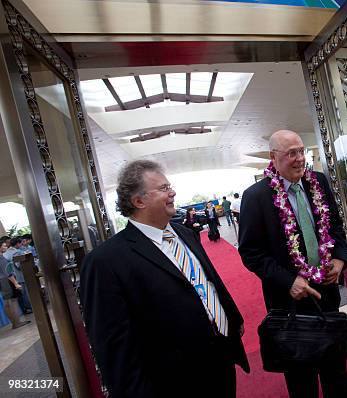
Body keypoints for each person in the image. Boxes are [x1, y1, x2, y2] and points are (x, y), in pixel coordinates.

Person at [80, 160, 249, 398]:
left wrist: (231, 317)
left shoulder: (185, 233)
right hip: (173, 381)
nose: (173, 192)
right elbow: (114, 348)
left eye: (169, 186)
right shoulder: (105, 262)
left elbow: (208, 281)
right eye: (163, 188)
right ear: (139, 201)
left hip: (220, 359)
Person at [238, 130, 347, 398]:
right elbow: (250, 252)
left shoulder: (319, 182)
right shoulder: (256, 197)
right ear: (273, 157)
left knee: (335, 370)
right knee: (302, 379)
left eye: (302, 151)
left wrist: (340, 257)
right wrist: (289, 281)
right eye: (292, 153)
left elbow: (335, 225)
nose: (300, 159)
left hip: (326, 290)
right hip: (288, 302)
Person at [0, 238, 29, 329]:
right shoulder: (1, 258)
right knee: (12, 301)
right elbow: (7, 272)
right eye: (4, 246)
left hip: (1, 281)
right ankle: (17, 322)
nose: (6, 247)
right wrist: (15, 283)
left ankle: (14, 322)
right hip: (7, 280)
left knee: (7, 303)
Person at [3, 237, 32, 314]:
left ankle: (25, 308)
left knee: (21, 295)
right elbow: (18, 265)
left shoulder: (5, 253)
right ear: (17, 244)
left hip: (11, 277)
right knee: (26, 293)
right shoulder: (17, 252)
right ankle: (30, 307)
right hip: (20, 275)